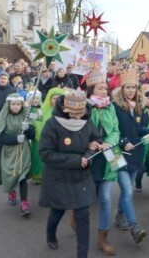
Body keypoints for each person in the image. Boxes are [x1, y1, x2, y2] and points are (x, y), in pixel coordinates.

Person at [39, 88, 107, 258]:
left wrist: (90, 152)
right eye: (74, 113)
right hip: (58, 177)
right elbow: (45, 153)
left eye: (81, 112)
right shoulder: (52, 124)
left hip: (80, 177)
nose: (78, 116)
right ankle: (50, 234)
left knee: (83, 215)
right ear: (65, 109)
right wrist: (76, 160)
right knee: (57, 211)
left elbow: (96, 140)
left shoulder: (87, 121)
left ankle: (82, 254)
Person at [86, 69, 120, 256]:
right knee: (85, 197)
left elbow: (116, 129)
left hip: (111, 153)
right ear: (91, 90)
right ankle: (75, 215)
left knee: (106, 199)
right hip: (90, 154)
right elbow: (79, 130)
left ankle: (102, 239)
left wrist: (110, 142)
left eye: (106, 88)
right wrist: (89, 143)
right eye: (100, 88)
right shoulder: (83, 106)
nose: (104, 91)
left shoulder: (110, 106)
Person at [111, 68, 147, 243]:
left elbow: (141, 129)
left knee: (127, 190)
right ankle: (134, 227)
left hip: (135, 153)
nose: (131, 90)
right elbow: (110, 131)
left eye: (133, 87)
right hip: (115, 153)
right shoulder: (114, 107)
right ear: (122, 89)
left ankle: (119, 215)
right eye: (128, 87)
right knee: (127, 190)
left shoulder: (139, 106)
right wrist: (123, 141)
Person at [0, 93, 35, 217]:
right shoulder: (4, 116)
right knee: (10, 174)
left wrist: (28, 129)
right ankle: (11, 192)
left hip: (23, 150)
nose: (16, 107)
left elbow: (32, 134)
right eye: (13, 104)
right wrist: (15, 139)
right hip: (9, 151)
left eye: (18, 104)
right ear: (9, 105)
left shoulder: (25, 116)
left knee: (22, 176)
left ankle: (24, 203)